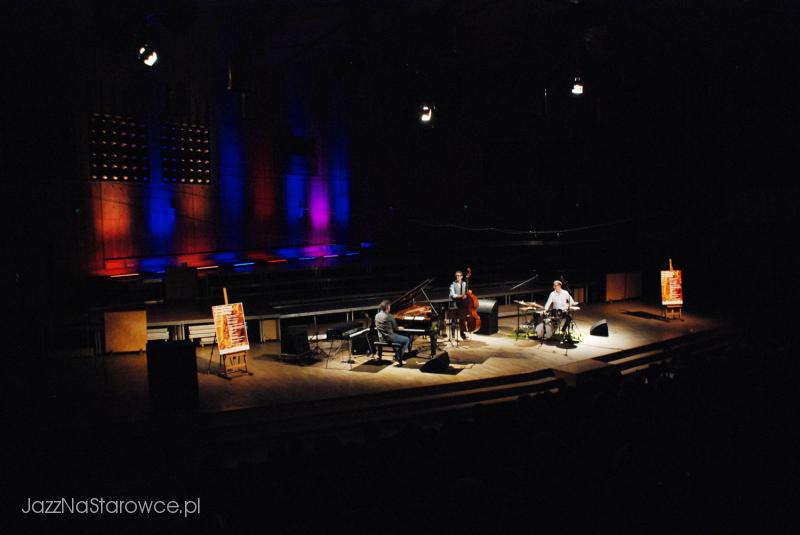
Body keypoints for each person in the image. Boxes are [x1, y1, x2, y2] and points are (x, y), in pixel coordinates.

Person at [374, 299, 411, 365]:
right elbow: (396, 328)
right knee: (407, 339)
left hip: (381, 338)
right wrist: (400, 328)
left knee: (397, 338)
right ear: (387, 307)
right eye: (390, 306)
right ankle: (399, 357)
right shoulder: (389, 316)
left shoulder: (377, 315)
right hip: (390, 338)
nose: (390, 308)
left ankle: (398, 355)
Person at [449, 270, 469, 340]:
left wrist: (469, 292)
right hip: (455, 303)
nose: (457, 277)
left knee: (462, 319)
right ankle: (453, 334)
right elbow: (452, 295)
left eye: (459, 275)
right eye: (456, 276)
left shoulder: (464, 283)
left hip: (462, 304)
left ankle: (462, 334)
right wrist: (460, 296)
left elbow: (466, 292)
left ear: (462, 277)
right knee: (454, 320)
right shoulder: (452, 284)